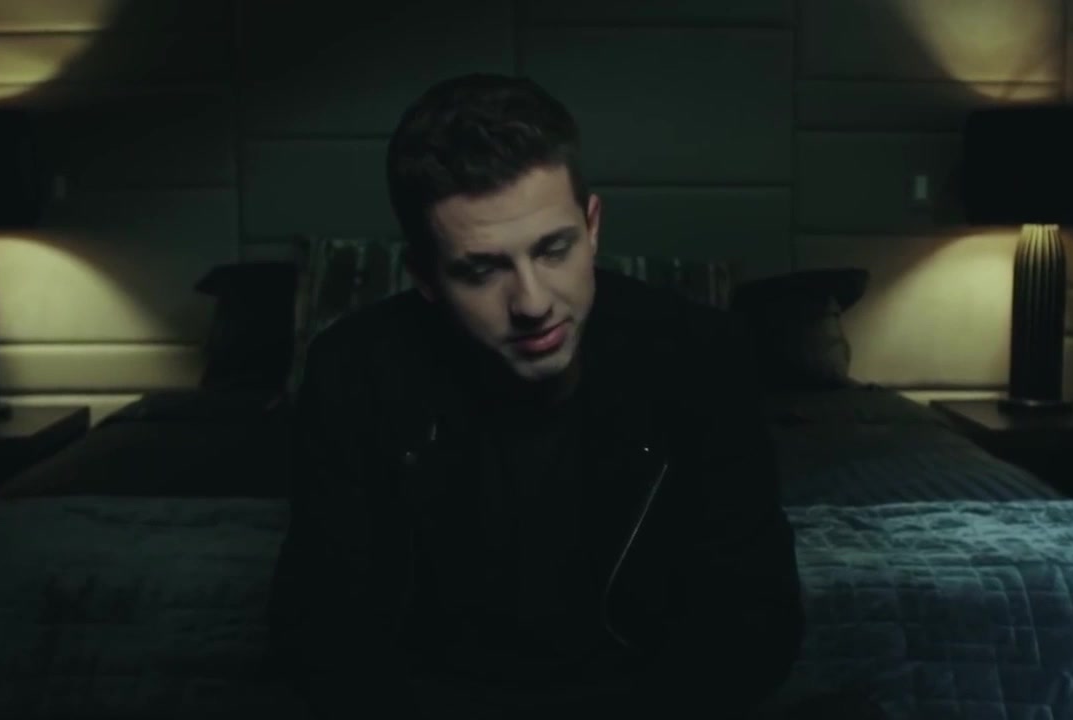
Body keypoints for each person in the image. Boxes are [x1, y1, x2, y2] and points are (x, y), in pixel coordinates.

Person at [268, 73, 804, 719]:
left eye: (554, 250)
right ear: (425, 278)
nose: (531, 303)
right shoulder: (353, 372)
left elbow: (753, 623)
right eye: (482, 269)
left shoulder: (700, 356)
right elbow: (324, 633)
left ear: (593, 226)